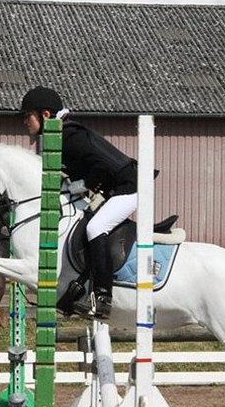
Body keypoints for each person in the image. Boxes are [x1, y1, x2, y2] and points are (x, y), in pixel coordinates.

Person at [20, 86, 138, 320]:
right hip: (116, 188)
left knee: (96, 228)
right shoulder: (59, 135)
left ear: (45, 115)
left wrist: (82, 184)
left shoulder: (70, 135)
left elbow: (102, 167)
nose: (24, 122)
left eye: (27, 116)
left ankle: (103, 296)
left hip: (130, 187)